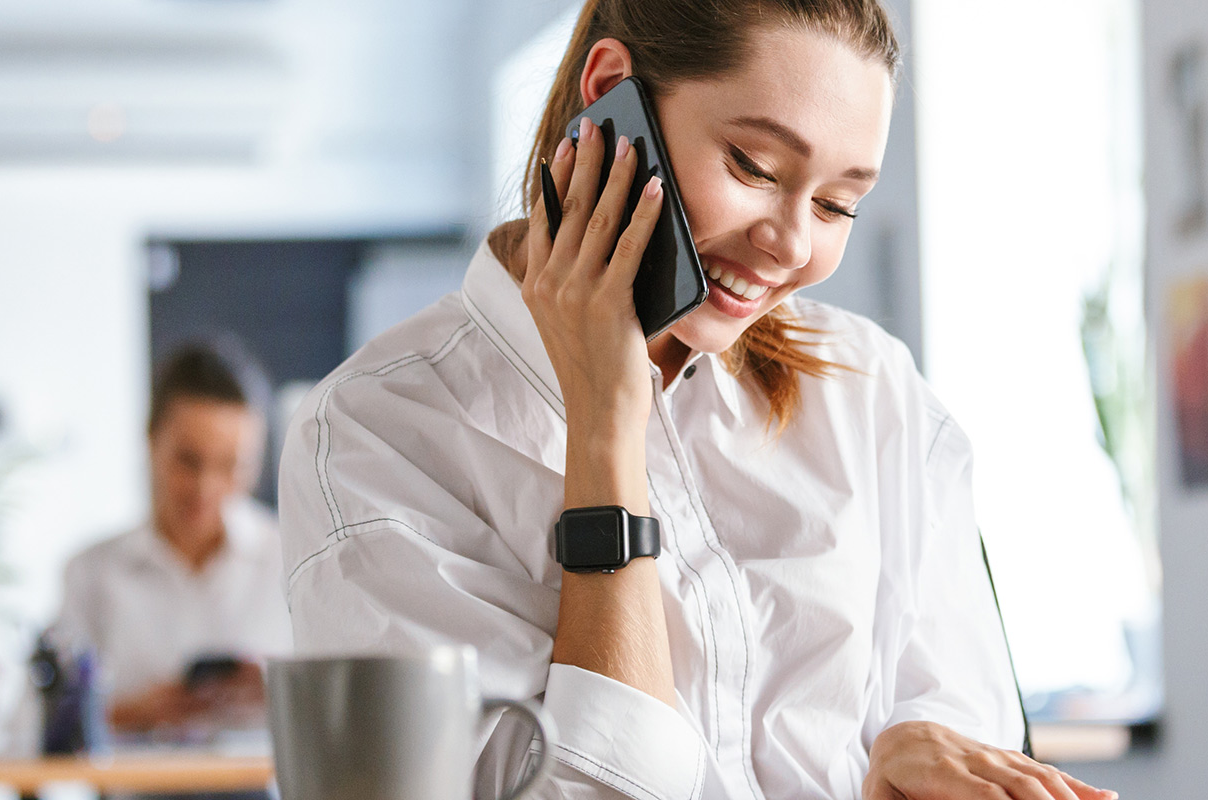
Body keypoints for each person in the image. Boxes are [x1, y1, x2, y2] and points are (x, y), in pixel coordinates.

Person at [278, 1, 1120, 798]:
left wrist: (906, 760)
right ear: (611, 95)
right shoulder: (373, 437)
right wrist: (606, 435)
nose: (791, 243)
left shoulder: (871, 392)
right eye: (754, 166)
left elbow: (975, 741)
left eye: (837, 203)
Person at [52, 341, 290, 742]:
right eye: (188, 460)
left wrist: (283, 694)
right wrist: (129, 714)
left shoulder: (293, 562)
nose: (206, 487)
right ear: (151, 441)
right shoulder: (91, 573)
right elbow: (36, 731)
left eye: (230, 466)